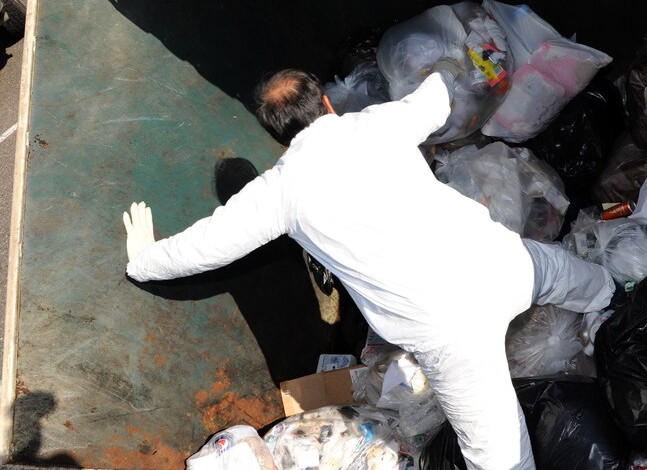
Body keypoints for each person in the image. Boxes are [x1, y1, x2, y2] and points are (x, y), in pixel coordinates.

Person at [122, 67, 614, 470]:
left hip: (449, 332)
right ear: (327, 103)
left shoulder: (279, 193)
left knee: (500, 456)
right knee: (570, 275)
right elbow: (438, 97)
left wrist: (144, 260)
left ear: (278, 136)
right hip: (501, 264)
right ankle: (613, 299)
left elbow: (205, 246)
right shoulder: (378, 123)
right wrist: (463, 64)